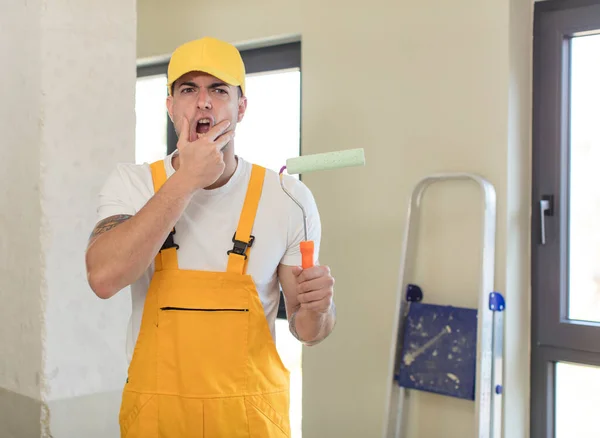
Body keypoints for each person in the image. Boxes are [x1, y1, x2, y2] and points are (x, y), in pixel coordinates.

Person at [85, 36, 337, 437]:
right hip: (158, 422)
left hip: (250, 422)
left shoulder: (289, 199)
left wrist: (321, 309)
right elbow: (103, 277)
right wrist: (184, 181)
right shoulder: (132, 184)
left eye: (219, 90)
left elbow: (308, 331)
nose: (203, 102)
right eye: (188, 89)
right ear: (170, 106)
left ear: (241, 107)